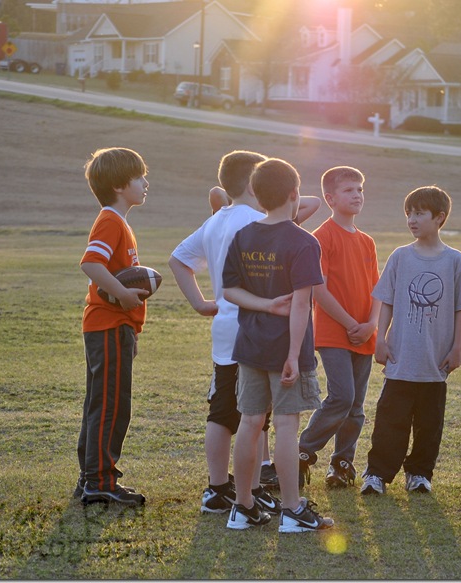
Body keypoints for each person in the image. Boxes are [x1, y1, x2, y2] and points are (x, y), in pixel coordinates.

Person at [169, 151, 320, 516]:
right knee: (270, 420)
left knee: (230, 414)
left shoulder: (218, 221)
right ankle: (268, 496)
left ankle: (228, 491)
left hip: (232, 333)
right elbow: (303, 213)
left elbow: (179, 260)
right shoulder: (261, 223)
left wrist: (203, 303)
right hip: (270, 334)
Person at [222, 157, 334, 532]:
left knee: (250, 423)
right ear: (293, 194)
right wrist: (291, 355)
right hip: (288, 348)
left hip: (250, 344)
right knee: (286, 426)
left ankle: (242, 506)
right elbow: (302, 303)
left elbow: (231, 290)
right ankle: (292, 510)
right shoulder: (304, 241)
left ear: (256, 194)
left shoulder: (244, 236)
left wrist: (264, 304)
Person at [360, 186, 461, 496]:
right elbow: (385, 300)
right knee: (390, 420)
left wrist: (456, 348)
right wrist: (380, 340)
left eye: (419, 213)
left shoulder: (455, 260)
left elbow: (460, 308)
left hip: (435, 360)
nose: (412, 219)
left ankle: (419, 474)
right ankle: (377, 474)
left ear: (439, 217)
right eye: (408, 214)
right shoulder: (401, 256)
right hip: (402, 358)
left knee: (429, 425)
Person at [75, 147, 152, 506]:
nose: (145, 183)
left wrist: (131, 329)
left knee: (102, 403)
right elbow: (91, 264)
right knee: (110, 406)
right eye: (139, 177)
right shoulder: (110, 220)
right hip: (107, 324)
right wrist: (122, 295)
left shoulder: (120, 222)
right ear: (121, 185)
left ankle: (90, 477)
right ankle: (100, 481)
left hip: (114, 328)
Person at [297, 166, 381, 490]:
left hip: (364, 332)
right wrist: (350, 324)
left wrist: (371, 324)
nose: (357, 194)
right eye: (349, 190)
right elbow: (319, 289)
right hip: (335, 333)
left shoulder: (367, 241)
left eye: (360, 189)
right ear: (330, 198)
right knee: (341, 397)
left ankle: (342, 464)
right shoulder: (322, 237)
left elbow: (377, 289)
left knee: (356, 405)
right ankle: (303, 452)